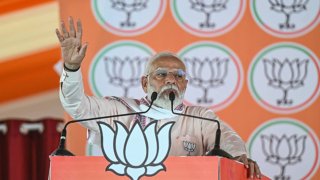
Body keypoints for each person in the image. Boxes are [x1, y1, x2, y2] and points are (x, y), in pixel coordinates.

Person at [56, 17, 262, 179]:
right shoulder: (120, 111)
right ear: (144, 83)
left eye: (179, 76)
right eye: (161, 74)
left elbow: (227, 138)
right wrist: (71, 68)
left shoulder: (200, 119)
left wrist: (237, 158)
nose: (171, 80)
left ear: (186, 84)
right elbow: (76, 105)